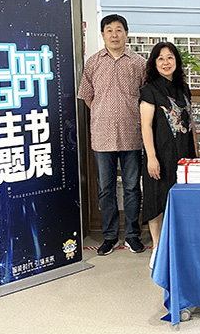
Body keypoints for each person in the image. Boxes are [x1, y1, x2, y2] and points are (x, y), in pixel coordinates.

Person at [77, 14, 146, 256]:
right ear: (103, 34)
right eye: (109, 30)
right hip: (102, 135)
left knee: (132, 188)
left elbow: (146, 98)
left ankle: (132, 235)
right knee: (105, 188)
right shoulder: (93, 62)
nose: (114, 35)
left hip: (132, 134)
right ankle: (109, 236)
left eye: (119, 30)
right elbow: (87, 97)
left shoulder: (139, 63)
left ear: (127, 33)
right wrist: (103, 112)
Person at [140, 42, 197, 269]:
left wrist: (196, 154)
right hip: (160, 153)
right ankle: (157, 247)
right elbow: (146, 126)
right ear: (154, 63)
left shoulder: (183, 88)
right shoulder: (149, 90)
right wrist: (151, 157)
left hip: (184, 153)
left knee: (181, 199)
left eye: (170, 57)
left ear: (176, 61)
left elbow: (190, 123)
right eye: (161, 58)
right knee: (156, 199)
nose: (166, 62)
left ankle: (178, 245)